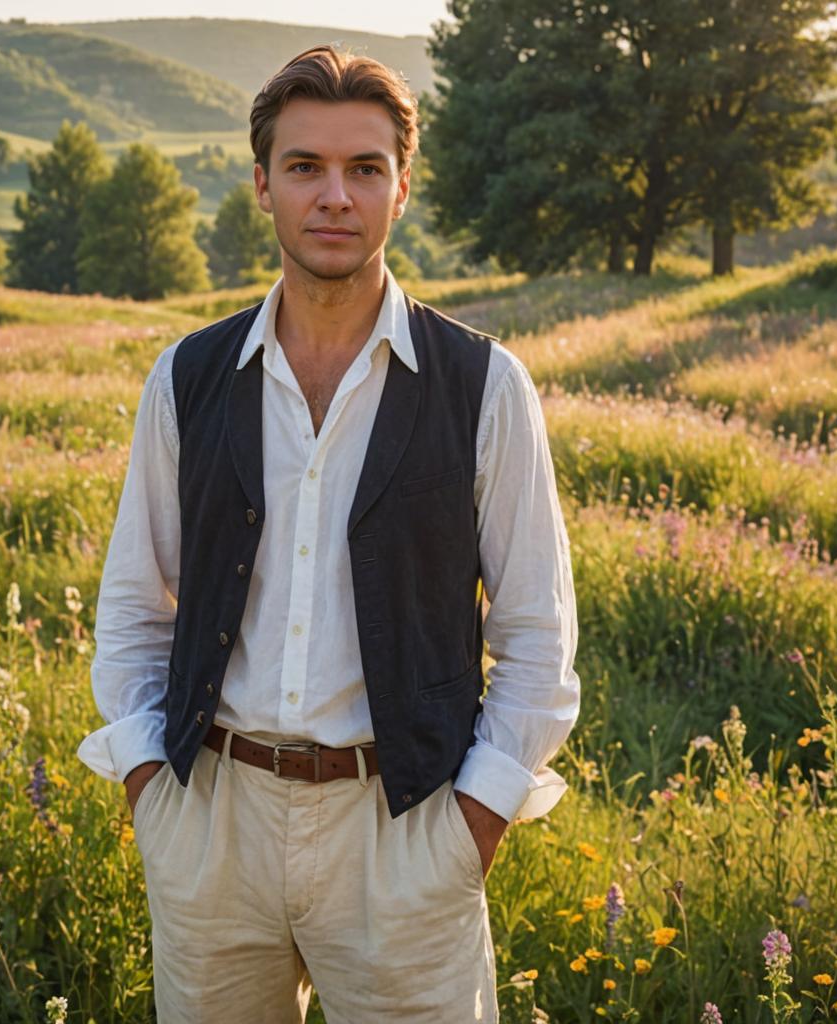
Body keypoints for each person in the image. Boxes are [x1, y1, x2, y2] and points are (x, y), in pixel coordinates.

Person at [77, 44, 579, 1024]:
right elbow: (137, 606)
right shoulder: (187, 376)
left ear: (403, 186)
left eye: (364, 168)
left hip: (403, 825)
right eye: (305, 166)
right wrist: (154, 795)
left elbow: (536, 637)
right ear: (262, 182)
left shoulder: (484, 385)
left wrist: (467, 828)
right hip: (213, 815)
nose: (334, 196)